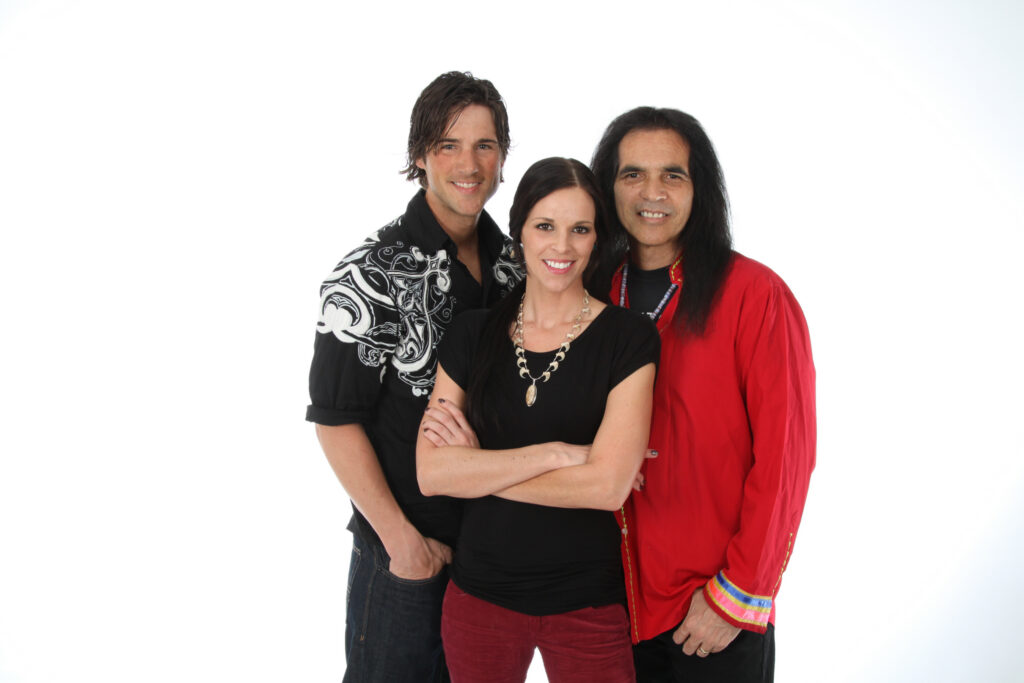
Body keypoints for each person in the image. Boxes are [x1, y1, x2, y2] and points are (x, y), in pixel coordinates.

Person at [305, 71, 522, 682]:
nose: (469, 163)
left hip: (495, 565)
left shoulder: (518, 267)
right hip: (404, 558)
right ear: (419, 154)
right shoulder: (368, 275)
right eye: (449, 144)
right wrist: (402, 543)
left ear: (503, 155)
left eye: (485, 145)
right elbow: (334, 421)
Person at [590, 108, 816, 683]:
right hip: (602, 606)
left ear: (701, 190)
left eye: (673, 175)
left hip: (708, 614)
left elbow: (786, 460)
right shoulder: (586, 292)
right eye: (632, 174)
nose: (652, 192)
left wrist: (737, 595)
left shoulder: (755, 296)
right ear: (607, 186)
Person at [416, 157, 660, 683]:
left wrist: (478, 469)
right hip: (479, 598)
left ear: (597, 238)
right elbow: (433, 475)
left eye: (580, 229)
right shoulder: (471, 334)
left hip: (588, 605)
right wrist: (555, 455)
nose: (562, 247)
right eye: (545, 226)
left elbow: (607, 486)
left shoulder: (629, 338)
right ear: (519, 230)